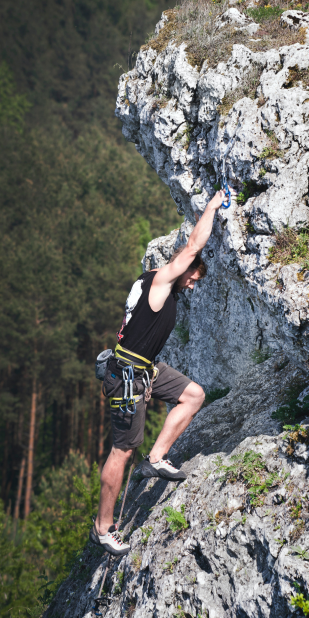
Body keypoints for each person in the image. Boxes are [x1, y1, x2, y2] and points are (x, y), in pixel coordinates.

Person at [90, 187, 228, 555]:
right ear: (180, 270)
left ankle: (157, 458)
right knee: (122, 450)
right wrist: (212, 206)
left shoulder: (150, 279)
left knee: (193, 395)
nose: (192, 284)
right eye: (192, 278)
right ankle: (103, 528)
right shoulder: (162, 281)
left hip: (145, 369)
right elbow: (191, 247)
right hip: (126, 377)